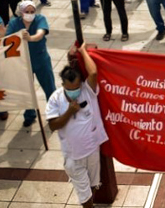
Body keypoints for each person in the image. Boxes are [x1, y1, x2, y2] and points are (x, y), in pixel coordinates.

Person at [46, 44, 109, 208]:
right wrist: (68, 112)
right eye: (69, 88)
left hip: (92, 151)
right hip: (74, 158)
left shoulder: (87, 91)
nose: (74, 91)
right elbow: (53, 126)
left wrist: (82, 51)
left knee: (93, 186)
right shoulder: (55, 99)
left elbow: (93, 72)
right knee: (84, 195)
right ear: (63, 84)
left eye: (76, 87)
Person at [7, 1, 56, 127]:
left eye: (32, 12)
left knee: (49, 87)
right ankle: (29, 114)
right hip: (23, 62)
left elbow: (40, 33)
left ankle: (54, 113)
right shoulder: (14, 23)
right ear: (21, 13)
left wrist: (30, 38)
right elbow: (8, 40)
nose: (29, 14)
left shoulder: (40, 19)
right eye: (26, 12)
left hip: (41, 60)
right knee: (27, 90)